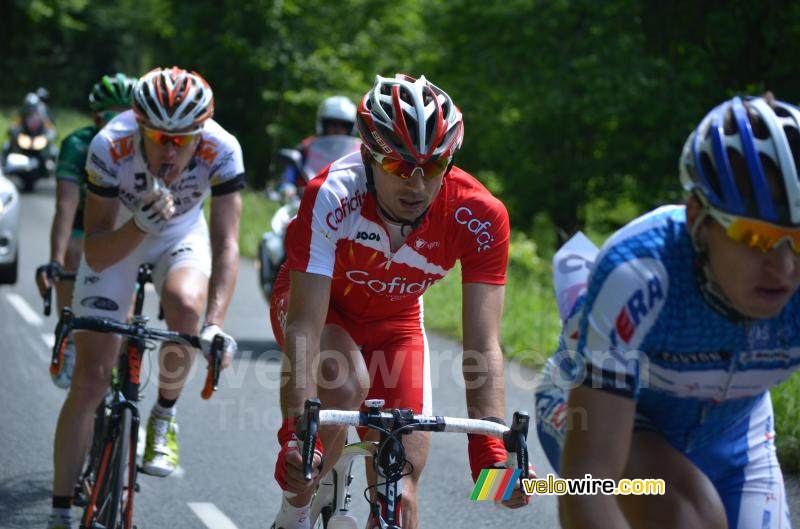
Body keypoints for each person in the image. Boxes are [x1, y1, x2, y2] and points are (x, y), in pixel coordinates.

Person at [270, 74, 532, 529]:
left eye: (432, 168)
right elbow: (304, 329)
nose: (416, 184)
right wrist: (296, 436)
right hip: (321, 309)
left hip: (397, 326)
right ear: (369, 157)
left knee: (402, 495)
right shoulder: (332, 194)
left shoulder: (480, 215)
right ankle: (293, 513)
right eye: (398, 167)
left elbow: (483, 344)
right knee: (345, 382)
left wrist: (493, 454)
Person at [535, 94, 800, 529]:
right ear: (698, 217)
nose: (784, 268)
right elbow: (592, 477)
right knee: (685, 516)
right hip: (608, 414)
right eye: (757, 238)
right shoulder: (640, 271)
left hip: (734, 432)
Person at [47, 66, 242, 529]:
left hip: (182, 233)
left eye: (183, 138)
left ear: (202, 133)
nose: (170, 149)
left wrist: (214, 323)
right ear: (138, 126)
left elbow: (228, 244)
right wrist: (138, 227)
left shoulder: (223, 148)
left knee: (186, 306)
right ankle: (58, 511)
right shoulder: (109, 145)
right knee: (91, 383)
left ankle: (163, 416)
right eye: (158, 136)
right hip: (121, 231)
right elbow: (95, 245)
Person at [36, 73, 137, 389]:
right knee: (74, 254)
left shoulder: (141, 147)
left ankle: (119, 360)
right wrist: (55, 260)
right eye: (112, 116)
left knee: (128, 303)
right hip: (83, 222)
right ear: (96, 117)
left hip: (123, 224)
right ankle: (71, 329)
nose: (120, 124)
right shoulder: (77, 145)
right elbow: (65, 207)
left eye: (128, 116)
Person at [277, 95, 357, 197]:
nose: (337, 129)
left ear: (351, 127)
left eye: (344, 125)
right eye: (332, 124)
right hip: (304, 203)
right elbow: (291, 171)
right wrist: (287, 185)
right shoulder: (308, 147)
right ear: (323, 124)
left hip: (347, 207)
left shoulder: (359, 151)